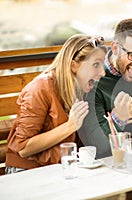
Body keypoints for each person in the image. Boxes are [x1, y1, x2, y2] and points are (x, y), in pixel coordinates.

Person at [5, 34, 107, 173]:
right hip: (27, 170)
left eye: (102, 65)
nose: (102, 73)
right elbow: (23, 148)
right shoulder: (40, 89)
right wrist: (70, 126)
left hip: (63, 167)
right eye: (96, 65)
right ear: (73, 65)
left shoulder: (83, 88)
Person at [80, 18, 132, 158]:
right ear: (115, 48)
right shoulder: (94, 80)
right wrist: (118, 118)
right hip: (104, 163)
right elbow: (98, 145)